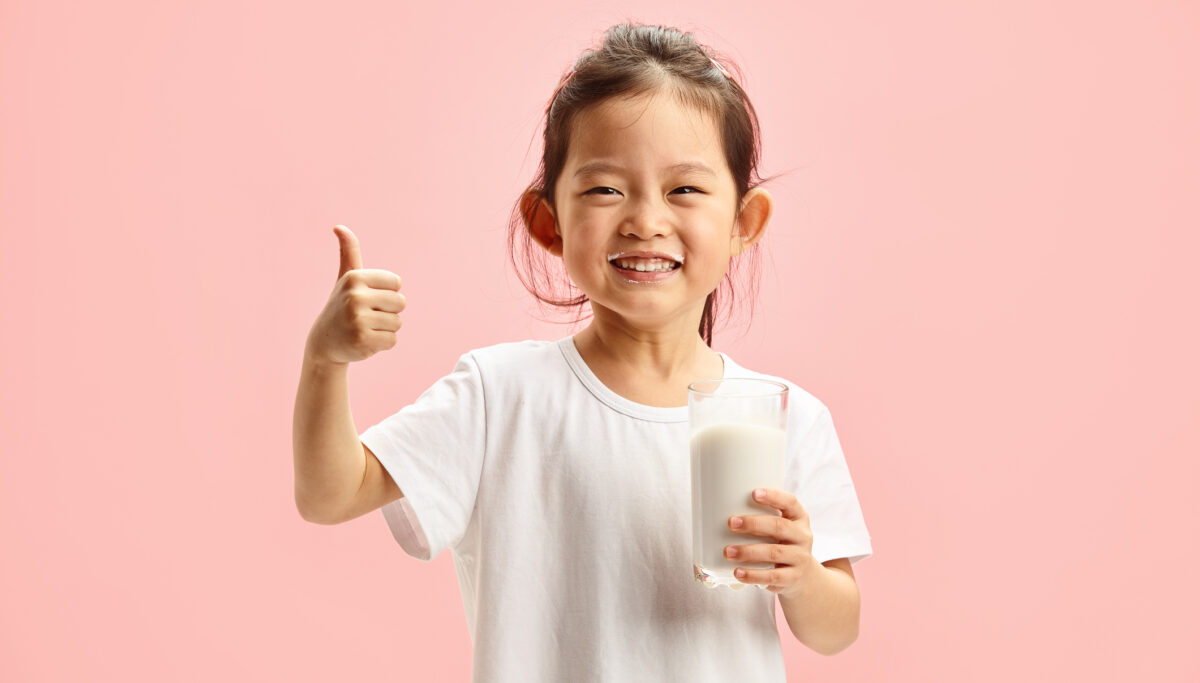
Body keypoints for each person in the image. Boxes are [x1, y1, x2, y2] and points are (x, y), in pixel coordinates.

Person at [294, 21, 872, 682]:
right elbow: (328, 493)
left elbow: (837, 627)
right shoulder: (500, 395)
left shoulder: (785, 418)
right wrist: (325, 360)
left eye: (685, 189)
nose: (645, 219)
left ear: (744, 222)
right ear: (549, 223)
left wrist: (798, 574)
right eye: (605, 189)